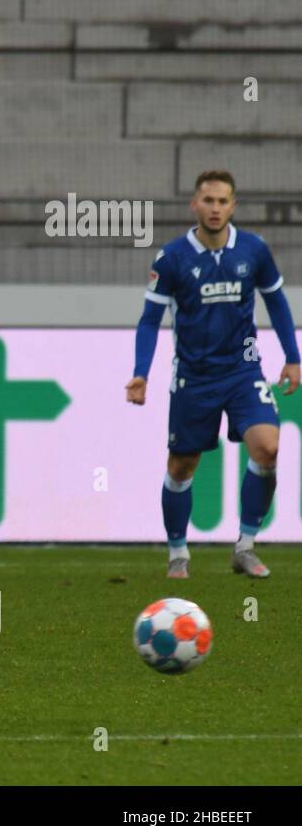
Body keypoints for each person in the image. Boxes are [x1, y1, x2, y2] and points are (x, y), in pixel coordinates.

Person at [127, 170, 300, 579]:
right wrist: (140, 373)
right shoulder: (172, 259)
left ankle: (245, 545)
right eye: (209, 200)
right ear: (195, 205)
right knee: (182, 467)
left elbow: (276, 302)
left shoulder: (253, 250)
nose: (216, 208)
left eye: (223, 201)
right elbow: (150, 320)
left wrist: (293, 356)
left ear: (233, 206)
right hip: (194, 377)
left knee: (268, 447)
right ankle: (178, 552)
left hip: (243, 371)